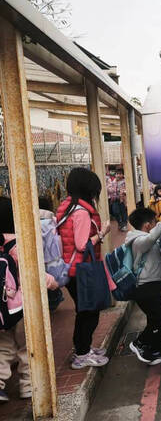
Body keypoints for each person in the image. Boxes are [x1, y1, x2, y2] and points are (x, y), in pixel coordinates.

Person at [0, 197, 58, 401]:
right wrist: (52, 283)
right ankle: (27, 385)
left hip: (2, 310)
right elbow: (33, 273)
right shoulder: (20, 243)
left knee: (4, 347)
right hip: (23, 306)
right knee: (27, 347)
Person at [56, 168, 112, 369]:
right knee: (89, 311)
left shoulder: (67, 207)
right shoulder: (81, 212)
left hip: (72, 270)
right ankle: (82, 353)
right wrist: (103, 232)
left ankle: (84, 348)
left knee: (85, 310)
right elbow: (81, 244)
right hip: (80, 270)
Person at [126, 208, 161, 365]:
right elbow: (152, 238)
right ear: (148, 225)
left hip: (151, 285)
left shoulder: (144, 238)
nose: (156, 225)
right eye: (155, 222)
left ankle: (157, 350)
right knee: (160, 317)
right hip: (144, 286)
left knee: (156, 317)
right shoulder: (138, 241)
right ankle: (140, 343)